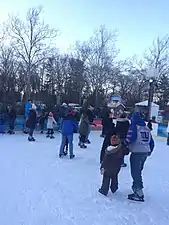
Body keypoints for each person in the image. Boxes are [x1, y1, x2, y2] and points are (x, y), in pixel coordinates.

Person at [125, 112, 154, 202]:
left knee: (135, 172)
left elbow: (131, 137)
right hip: (145, 152)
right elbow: (152, 142)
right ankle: (136, 186)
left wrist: (124, 144)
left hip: (137, 152)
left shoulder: (134, 126)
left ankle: (139, 192)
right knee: (138, 171)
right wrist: (149, 151)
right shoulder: (146, 128)